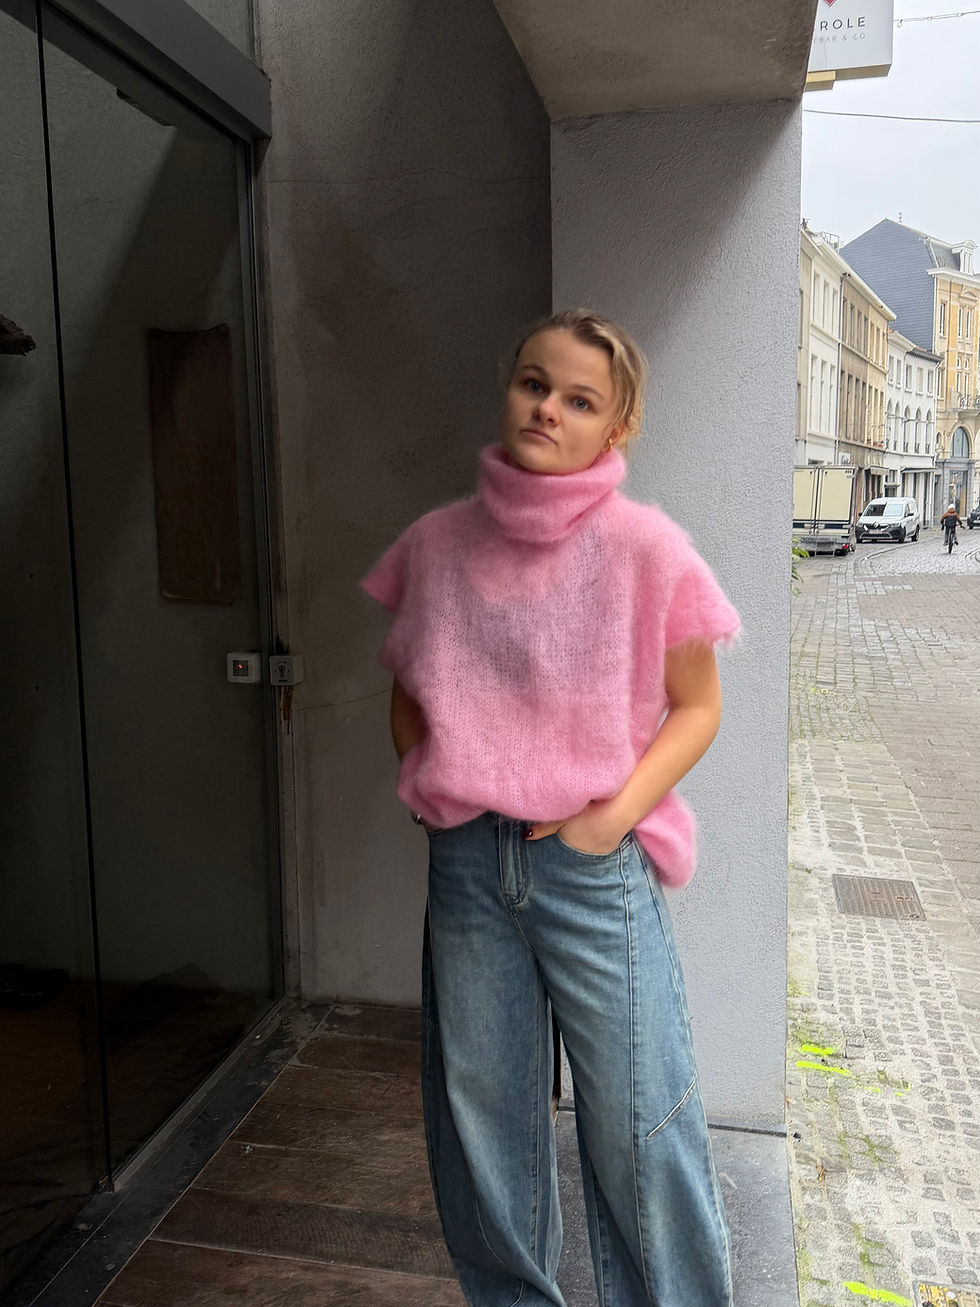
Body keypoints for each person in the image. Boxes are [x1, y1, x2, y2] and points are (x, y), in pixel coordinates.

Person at [362, 309, 739, 1307]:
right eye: (534, 383)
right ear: (509, 388)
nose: (547, 409)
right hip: (468, 869)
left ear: (616, 426)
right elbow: (408, 690)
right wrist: (432, 792)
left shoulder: (645, 548)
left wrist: (609, 818)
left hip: (591, 866)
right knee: (484, 1125)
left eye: (579, 399)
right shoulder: (438, 544)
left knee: (643, 1124)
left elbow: (698, 705)